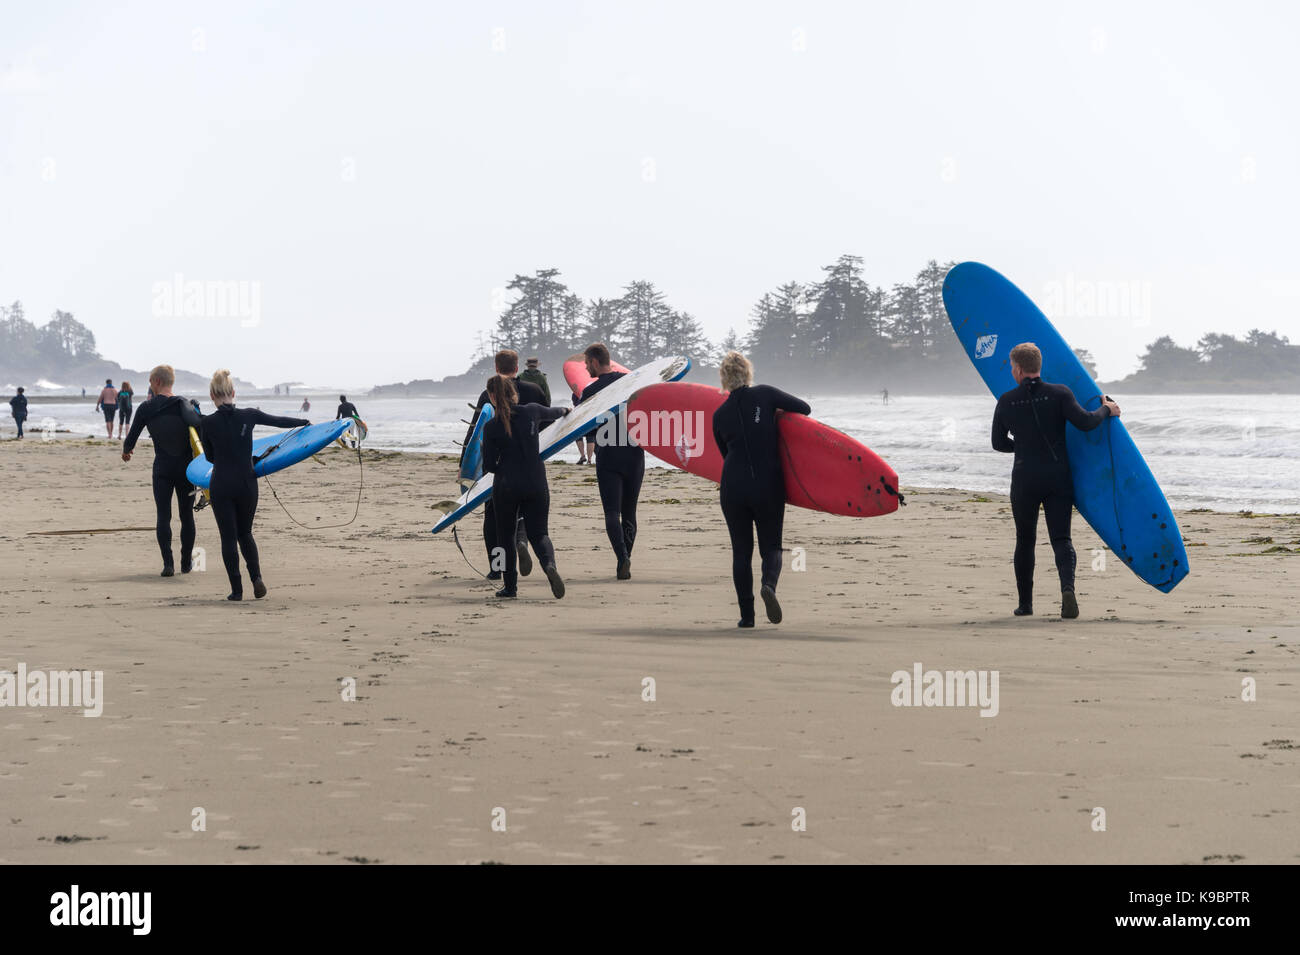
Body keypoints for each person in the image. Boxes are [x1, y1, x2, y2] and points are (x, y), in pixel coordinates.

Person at [991, 342, 1120, 619]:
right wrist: (1107, 410)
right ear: (1038, 367)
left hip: (1025, 478)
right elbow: (1086, 422)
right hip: (1057, 476)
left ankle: (1025, 605)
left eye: (1012, 367)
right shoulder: (1060, 393)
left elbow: (998, 444)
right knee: (1061, 538)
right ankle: (1067, 591)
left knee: (1025, 540)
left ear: (1018, 368)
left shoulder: (1006, 401)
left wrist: (1025, 445)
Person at [712, 351, 810, 627]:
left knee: (741, 553)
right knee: (771, 547)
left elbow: (723, 453)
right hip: (767, 485)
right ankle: (769, 585)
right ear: (747, 373)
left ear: (724, 379)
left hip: (732, 488)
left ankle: (747, 616)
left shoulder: (719, 415)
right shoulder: (765, 395)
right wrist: (773, 418)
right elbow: (804, 409)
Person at [200, 369, 309, 601]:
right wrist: (305, 424)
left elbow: (209, 457)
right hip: (246, 483)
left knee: (228, 538)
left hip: (221, 484)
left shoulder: (207, 423)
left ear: (212, 395)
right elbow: (278, 421)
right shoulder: (249, 415)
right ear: (233, 392)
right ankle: (257, 578)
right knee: (245, 533)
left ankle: (237, 591)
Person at [461, 350, 547, 579]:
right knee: (527, 513)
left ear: (496, 367)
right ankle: (521, 540)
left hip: (499, 468)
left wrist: (464, 464)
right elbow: (549, 424)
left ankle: (497, 567)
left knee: (494, 520)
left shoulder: (489, 393)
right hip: (531, 466)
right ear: (517, 367)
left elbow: (476, 431)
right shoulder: (534, 390)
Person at [480, 376, 566, 599]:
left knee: (505, 537)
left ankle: (510, 587)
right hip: (535, 481)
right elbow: (557, 413)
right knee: (539, 534)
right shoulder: (532, 411)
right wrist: (567, 409)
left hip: (506, 486)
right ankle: (549, 565)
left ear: (492, 397)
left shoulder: (491, 427)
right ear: (514, 393)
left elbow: (489, 466)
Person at [121, 365, 203, 576]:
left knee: (163, 516)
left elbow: (132, 437)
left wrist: (127, 451)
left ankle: (168, 564)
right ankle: (186, 563)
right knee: (187, 516)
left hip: (162, 469)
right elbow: (201, 433)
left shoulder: (146, 408)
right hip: (187, 470)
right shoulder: (185, 405)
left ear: (157, 381)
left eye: (150, 382)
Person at [579, 343, 643, 579]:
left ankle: (622, 557)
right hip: (635, 452)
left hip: (608, 454)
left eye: (587, 363)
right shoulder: (632, 382)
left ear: (595, 362)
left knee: (611, 512)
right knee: (630, 512)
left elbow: (582, 424)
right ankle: (626, 557)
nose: (586, 368)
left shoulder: (590, 391)